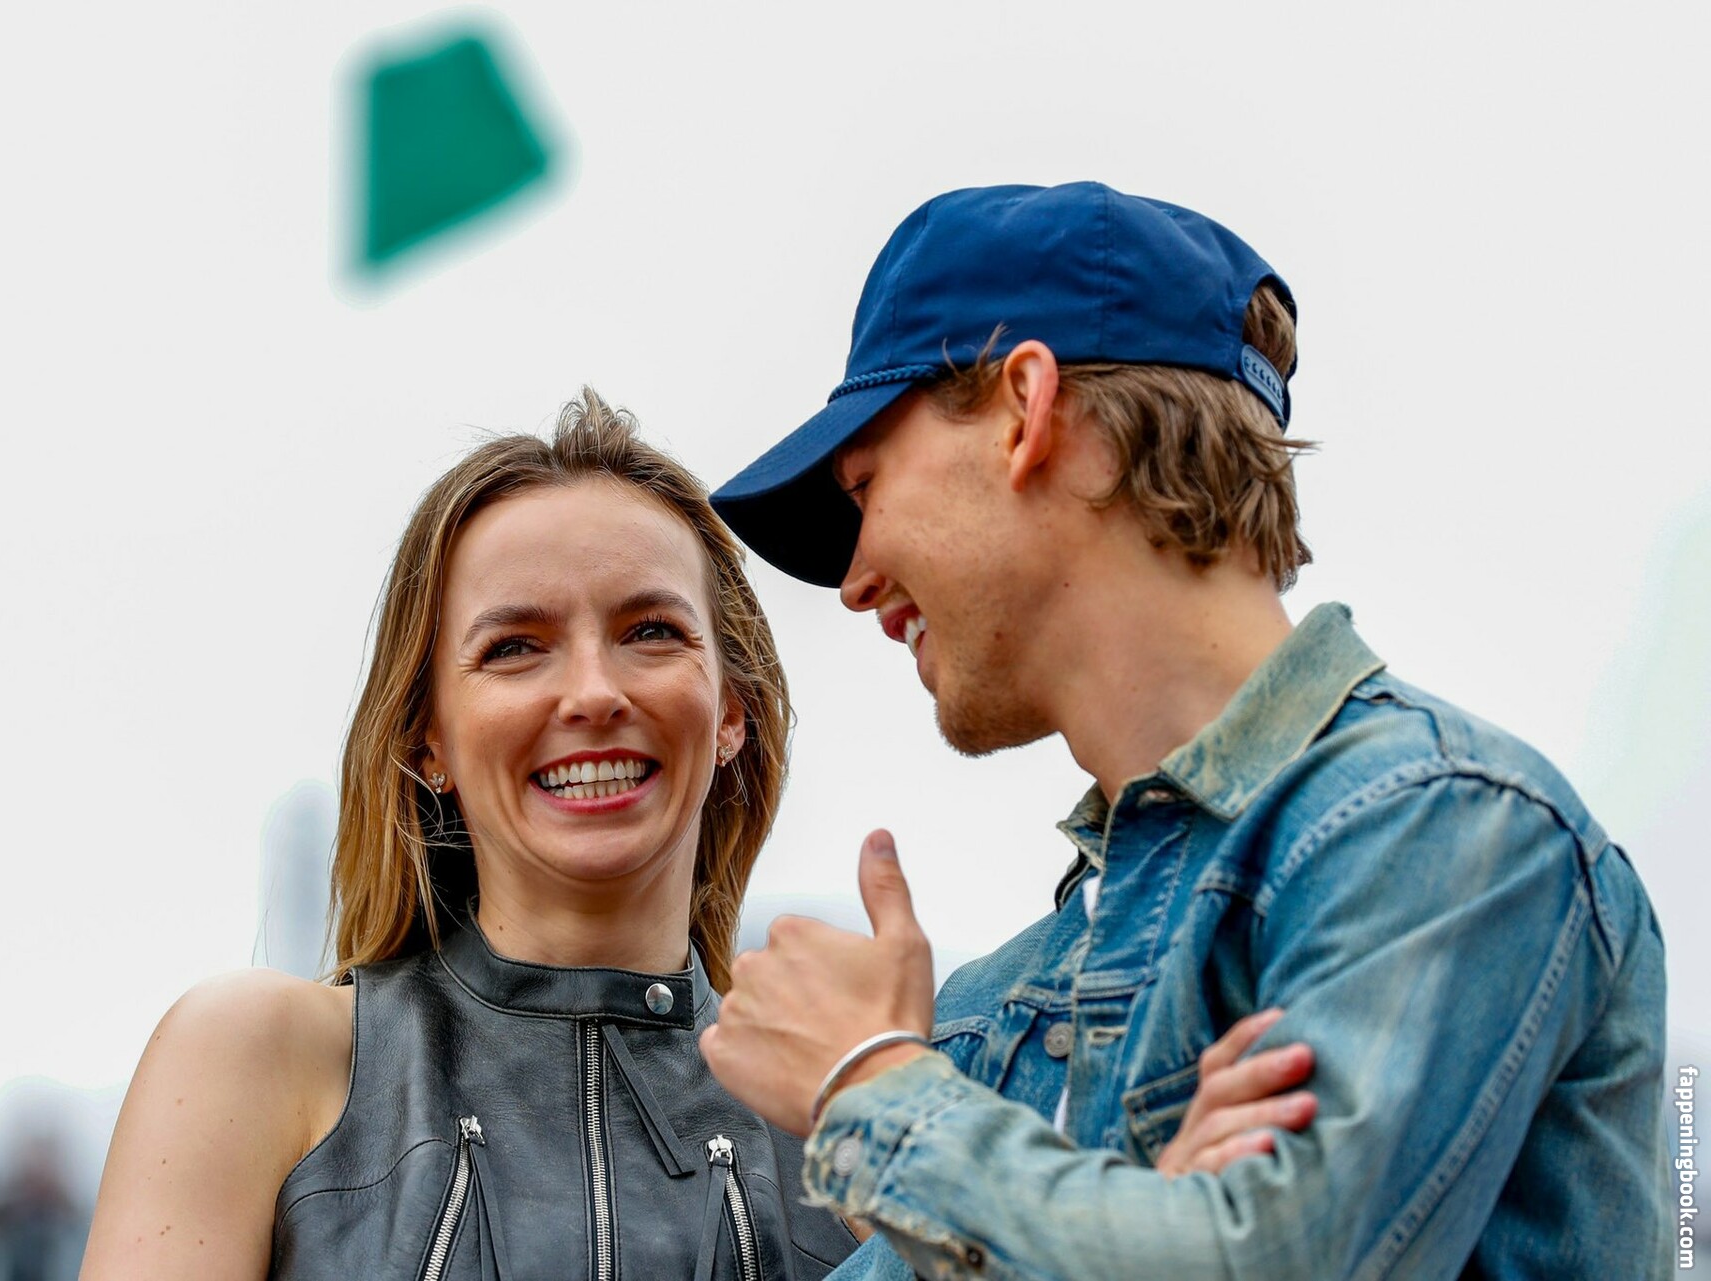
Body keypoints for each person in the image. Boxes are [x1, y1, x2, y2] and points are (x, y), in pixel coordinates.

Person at [700, 183, 1669, 1278]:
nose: (855, 580)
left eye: (865, 486)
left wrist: (873, 1091)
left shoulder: (1446, 828)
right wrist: (1137, 1219)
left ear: (1025, 410)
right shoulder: (983, 1019)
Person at [80, 391, 858, 1279]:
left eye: (651, 631)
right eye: (514, 647)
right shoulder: (257, 1055)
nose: (593, 692)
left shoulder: (848, 1121)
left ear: (732, 713)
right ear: (430, 739)